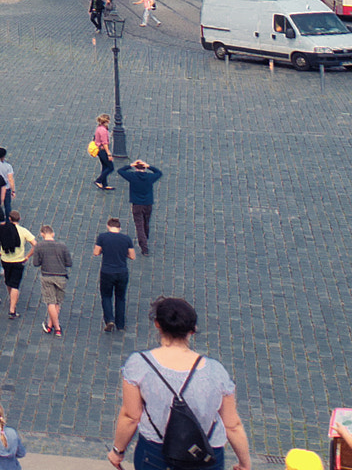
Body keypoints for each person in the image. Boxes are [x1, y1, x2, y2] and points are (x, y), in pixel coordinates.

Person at [110, 296, 251, 470]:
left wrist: (118, 451)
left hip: (156, 452)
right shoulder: (216, 371)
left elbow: (131, 417)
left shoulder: (139, 364)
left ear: (157, 325)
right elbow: (232, 425)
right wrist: (244, 463)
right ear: (192, 330)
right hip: (204, 454)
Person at [95, 216, 136, 331]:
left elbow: (96, 252)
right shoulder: (126, 239)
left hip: (107, 272)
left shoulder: (102, 237)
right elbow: (132, 256)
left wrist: (104, 249)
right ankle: (120, 324)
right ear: (119, 228)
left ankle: (109, 320)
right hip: (122, 272)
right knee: (120, 298)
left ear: (108, 226)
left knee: (106, 296)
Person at [32, 224, 73, 336]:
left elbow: (36, 263)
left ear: (42, 234)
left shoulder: (39, 246)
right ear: (53, 234)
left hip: (47, 276)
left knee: (50, 302)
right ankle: (50, 326)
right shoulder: (62, 246)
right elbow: (69, 263)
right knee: (57, 303)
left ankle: (57, 327)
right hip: (61, 276)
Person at [0, 211, 34, 320]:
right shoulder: (23, 231)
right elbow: (35, 244)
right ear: (19, 219)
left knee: (8, 281)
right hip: (18, 261)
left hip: (5, 259)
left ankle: (12, 300)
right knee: (15, 285)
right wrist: (27, 256)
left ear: (9, 218)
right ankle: (12, 309)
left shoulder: (2, 229)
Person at [122, 160, 163, 254]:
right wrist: (149, 166)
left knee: (139, 225)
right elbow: (159, 173)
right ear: (144, 168)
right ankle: (146, 236)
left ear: (136, 168)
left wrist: (130, 165)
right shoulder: (150, 177)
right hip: (148, 203)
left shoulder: (132, 176)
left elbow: (121, 171)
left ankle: (144, 247)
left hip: (137, 204)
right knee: (146, 221)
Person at [94, 113, 115, 189]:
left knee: (105, 166)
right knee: (110, 167)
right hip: (103, 151)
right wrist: (109, 153)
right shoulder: (103, 130)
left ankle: (104, 184)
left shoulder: (99, 128)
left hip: (99, 150)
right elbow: (104, 143)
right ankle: (98, 180)